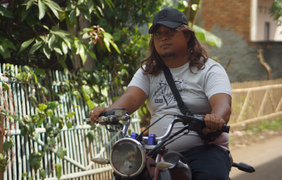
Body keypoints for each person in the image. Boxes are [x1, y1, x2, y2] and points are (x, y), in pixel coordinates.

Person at [89, 7, 232, 180]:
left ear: (187, 36)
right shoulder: (148, 72)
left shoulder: (209, 69)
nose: (163, 37)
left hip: (204, 150)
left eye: (170, 31)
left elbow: (222, 104)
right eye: (157, 33)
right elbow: (132, 98)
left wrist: (216, 118)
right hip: (157, 150)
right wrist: (107, 112)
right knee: (125, 175)